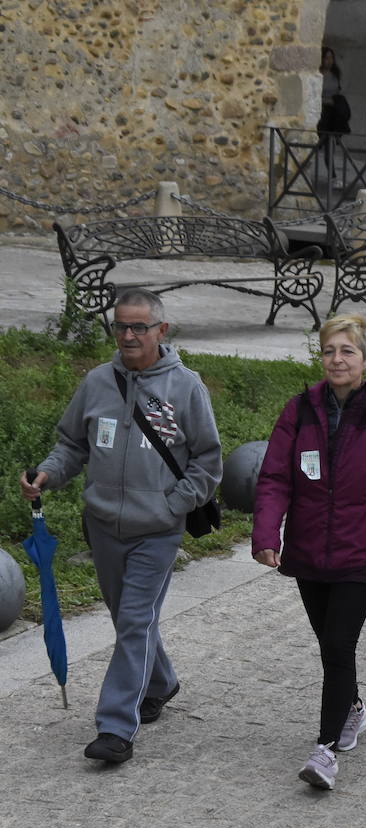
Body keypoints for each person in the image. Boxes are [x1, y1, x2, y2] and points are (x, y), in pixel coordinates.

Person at [23, 289, 223, 764]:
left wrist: (171, 505)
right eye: (121, 326)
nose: (129, 336)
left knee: (134, 620)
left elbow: (208, 461)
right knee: (128, 618)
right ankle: (160, 682)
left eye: (139, 327)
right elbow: (72, 444)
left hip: (157, 530)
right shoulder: (97, 382)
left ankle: (115, 728)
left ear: (161, 331)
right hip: (103, 527)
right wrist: (48, 474)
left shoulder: (185, 387)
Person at [253, 313, 366, 789]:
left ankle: (325, 750)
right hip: (309, 550)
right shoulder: (300, 410)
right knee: (329, 645)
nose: (337, 359)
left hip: (361, 552)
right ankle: (352, 708)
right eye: (330, 350)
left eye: (347, 351)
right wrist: (267, 535)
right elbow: (274, 477)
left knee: (338, 643)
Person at [317, 47, 350, 189]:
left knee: (329, 147)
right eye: (326, 58)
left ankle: (333, 176)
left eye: (331, 58)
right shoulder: (317, 74)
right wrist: (326, 100)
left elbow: (339, 90)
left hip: (332, 116)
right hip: (320, 114)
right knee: (315, 145)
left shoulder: (335, 74)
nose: (329, 61)